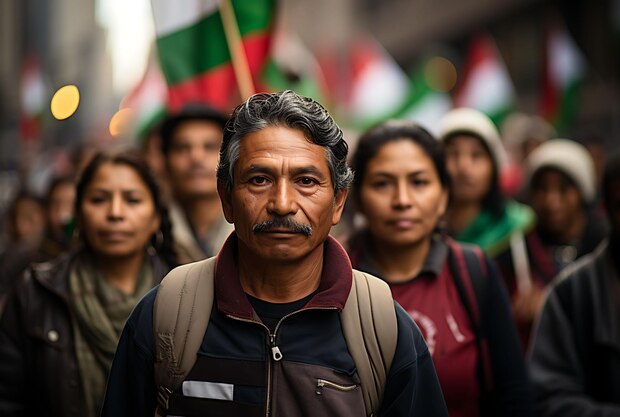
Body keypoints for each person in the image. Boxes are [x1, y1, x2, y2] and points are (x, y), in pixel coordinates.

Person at [101, 91, 448, 417]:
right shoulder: (166, 315)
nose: (282, 204)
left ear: (338, 202)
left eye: (307, 181)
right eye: (259, 179)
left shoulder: (382, 328)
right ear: (227, 198)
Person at [346, 120, 532, 417]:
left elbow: (514, 394)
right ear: (356, 197)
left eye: (419, 182)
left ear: (444, 195)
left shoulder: (474, 271)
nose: (402, 201)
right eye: (382, 183)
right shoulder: (333, 275)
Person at [0, 151, 177, 417]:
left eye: (132, 200)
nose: (115, 213)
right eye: (98, 199)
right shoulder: (36, 291)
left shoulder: (183, 294)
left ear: (155, 218)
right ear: (79, 215)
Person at [529, 146, 620, 416]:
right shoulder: (572, 292)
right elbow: (550, 398)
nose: (551, 201)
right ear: (606, 208)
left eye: (563, 189)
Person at [495, 139, 606, 350]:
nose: (551, 201)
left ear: (583, 192)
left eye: (563, 189)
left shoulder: (605, 246)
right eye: (542, 189)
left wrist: (548, 305)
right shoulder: (517, 249)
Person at [437, 108, 534, 257]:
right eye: (452, 154)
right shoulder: (424, 233)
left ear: (494, 166)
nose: (464, 167)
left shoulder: (519, 229)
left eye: (477, 155)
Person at [160, 103, 233, 263]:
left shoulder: (253, 227)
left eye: (210, 147)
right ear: (165, 161)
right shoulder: (151, 232)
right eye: (182, 147)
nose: (196, 157)